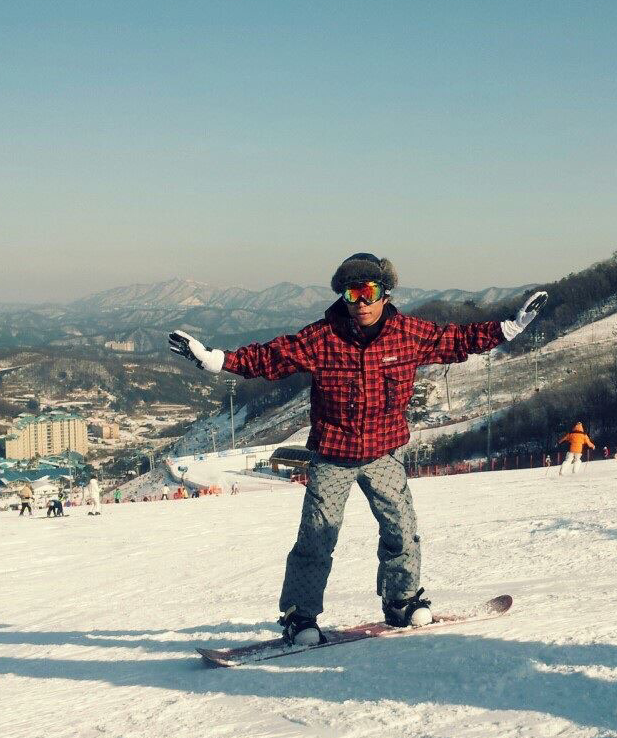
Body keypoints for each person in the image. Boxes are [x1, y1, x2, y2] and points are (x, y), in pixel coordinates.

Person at [170, 252, 547, 646]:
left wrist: (507, 329)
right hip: (333, 455)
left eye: (369, 292)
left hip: (384, 452)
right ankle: (300, 618)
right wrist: (218, 361)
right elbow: (272, 357)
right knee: (317, 538)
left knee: (401, 529)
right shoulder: (322, 338)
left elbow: (457, 340)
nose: (361, 303)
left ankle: (401, 601)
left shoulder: (408, 334)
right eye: (352, 294)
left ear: (385, 293)